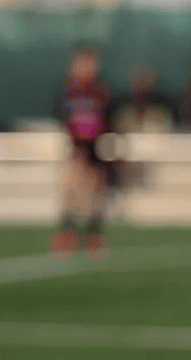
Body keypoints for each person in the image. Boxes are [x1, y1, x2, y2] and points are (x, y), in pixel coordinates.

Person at [51, 43, 119, 257]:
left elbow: (108, 124)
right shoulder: (68, 91)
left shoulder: (101, 93)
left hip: (96, 153)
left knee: (95, 197)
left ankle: (93, 236)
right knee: (71, 194)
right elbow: (65, 121)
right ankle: (67, 234)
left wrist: (106, 156)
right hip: (75, 151)